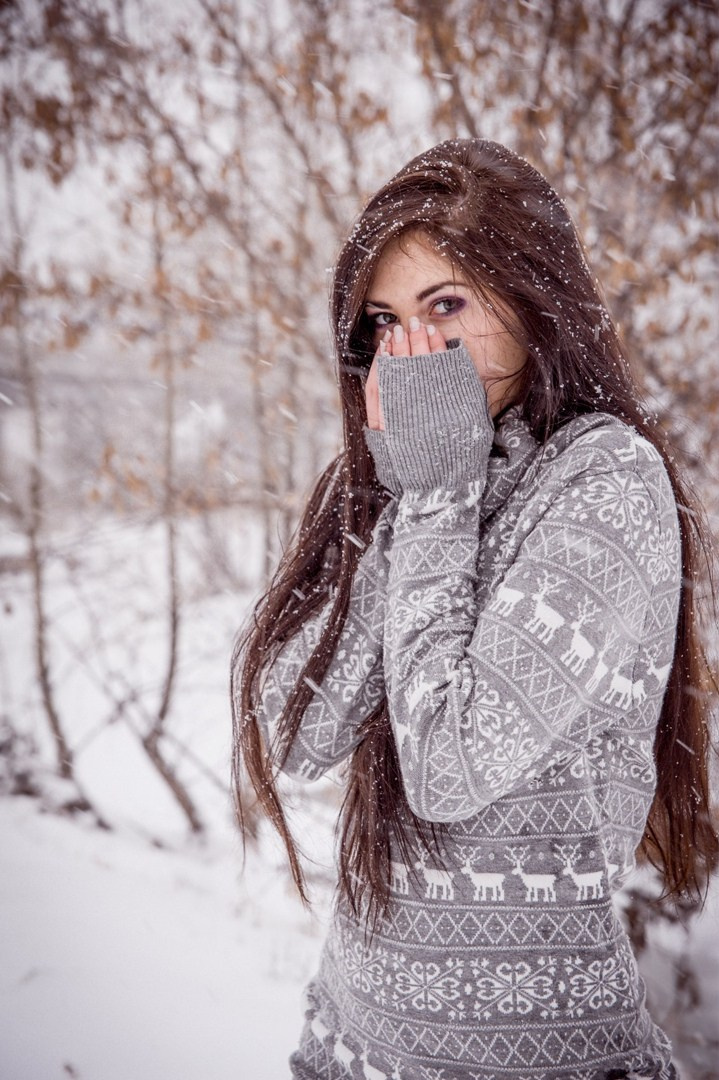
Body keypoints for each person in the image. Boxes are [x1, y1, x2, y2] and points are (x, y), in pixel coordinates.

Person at [231, 139, 718, 1080]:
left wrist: (436, 497)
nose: (412, 349)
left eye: (445, 304)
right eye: (384, 322)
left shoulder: (605, 479)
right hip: (353, 1044)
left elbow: (450, 767)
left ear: (534, 301)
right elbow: (297, 731)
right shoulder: (418, 472)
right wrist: (405, 487)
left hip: (535, 1060)